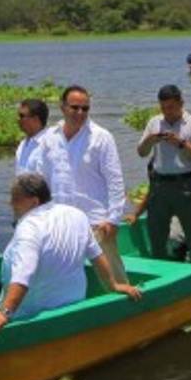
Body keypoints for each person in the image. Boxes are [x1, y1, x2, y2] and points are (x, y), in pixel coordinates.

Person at [0, 174, 141, 333]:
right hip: (73, 308)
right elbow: (96, 256)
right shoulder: (76, 215)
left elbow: (23, 275)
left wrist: (4, 313)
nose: (10, 203)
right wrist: (113, 285)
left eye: (15, 199)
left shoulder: (29, 227)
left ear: (34, 202)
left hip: (30, 318)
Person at [43, 85, 129, 284]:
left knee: (114, 279)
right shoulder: (50, 137)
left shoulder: (101, 137)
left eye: (85, 108)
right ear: (62, 107)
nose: (80, 113)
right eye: (75, 107)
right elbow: (44, 178)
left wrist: (114, 219)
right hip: (60, 222)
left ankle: (129, 311)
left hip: (96, 222)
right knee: (63, 277)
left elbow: (115, 179)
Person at [136, 85, 191, 262]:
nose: (167, 112)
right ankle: (161, 275)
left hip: (186, 186)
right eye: (163, 108)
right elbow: (141, 152)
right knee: (156, 235)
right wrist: (149, 140)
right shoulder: (154, 122)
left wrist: (181, 143)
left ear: (181, 103)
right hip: (159, 186)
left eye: (171, 107)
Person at [14, 98, 54, 179]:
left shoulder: (49, 145)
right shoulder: (23, 144)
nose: (18, 119)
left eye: (22, 116)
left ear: (35, 119)